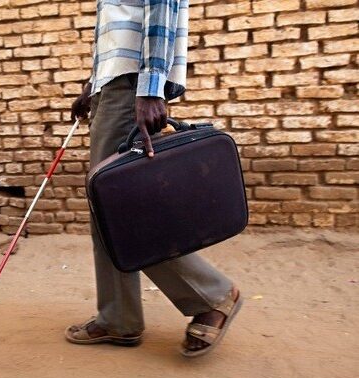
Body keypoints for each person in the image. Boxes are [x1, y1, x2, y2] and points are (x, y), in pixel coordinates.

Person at [66, 0, 242, 357]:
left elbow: (161, 11)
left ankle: (212, 295)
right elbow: (122, 28)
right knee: (109, 210)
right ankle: (119, 317)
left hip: (131, 88)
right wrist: (93, 85)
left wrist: (150, 90)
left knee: (117, 211)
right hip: (115, 87)